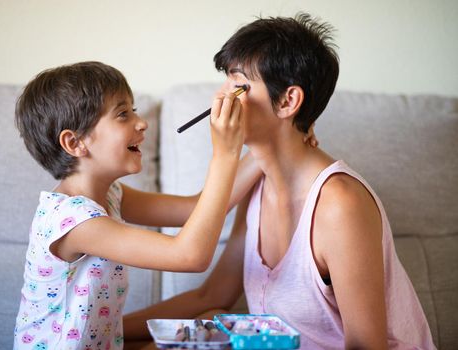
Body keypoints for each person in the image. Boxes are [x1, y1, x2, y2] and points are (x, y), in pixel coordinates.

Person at [123, 13, 435, 349]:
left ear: (288, 101)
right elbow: (211, 295)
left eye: (238, 84)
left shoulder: (340, 206)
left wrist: (225, 154)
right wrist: (105, 332)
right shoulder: (257, 184)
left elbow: (365, 344)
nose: (221, 98)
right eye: (226, 81)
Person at [12, 61, 262, 349]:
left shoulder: (109, 195)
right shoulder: (75, 220)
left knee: (214, 321)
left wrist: (266, 147)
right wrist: (225, 153)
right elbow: (190, 256)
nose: (141, 123)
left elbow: (195, 208)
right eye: (122, 114)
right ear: (75, 142)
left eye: (134, 110)